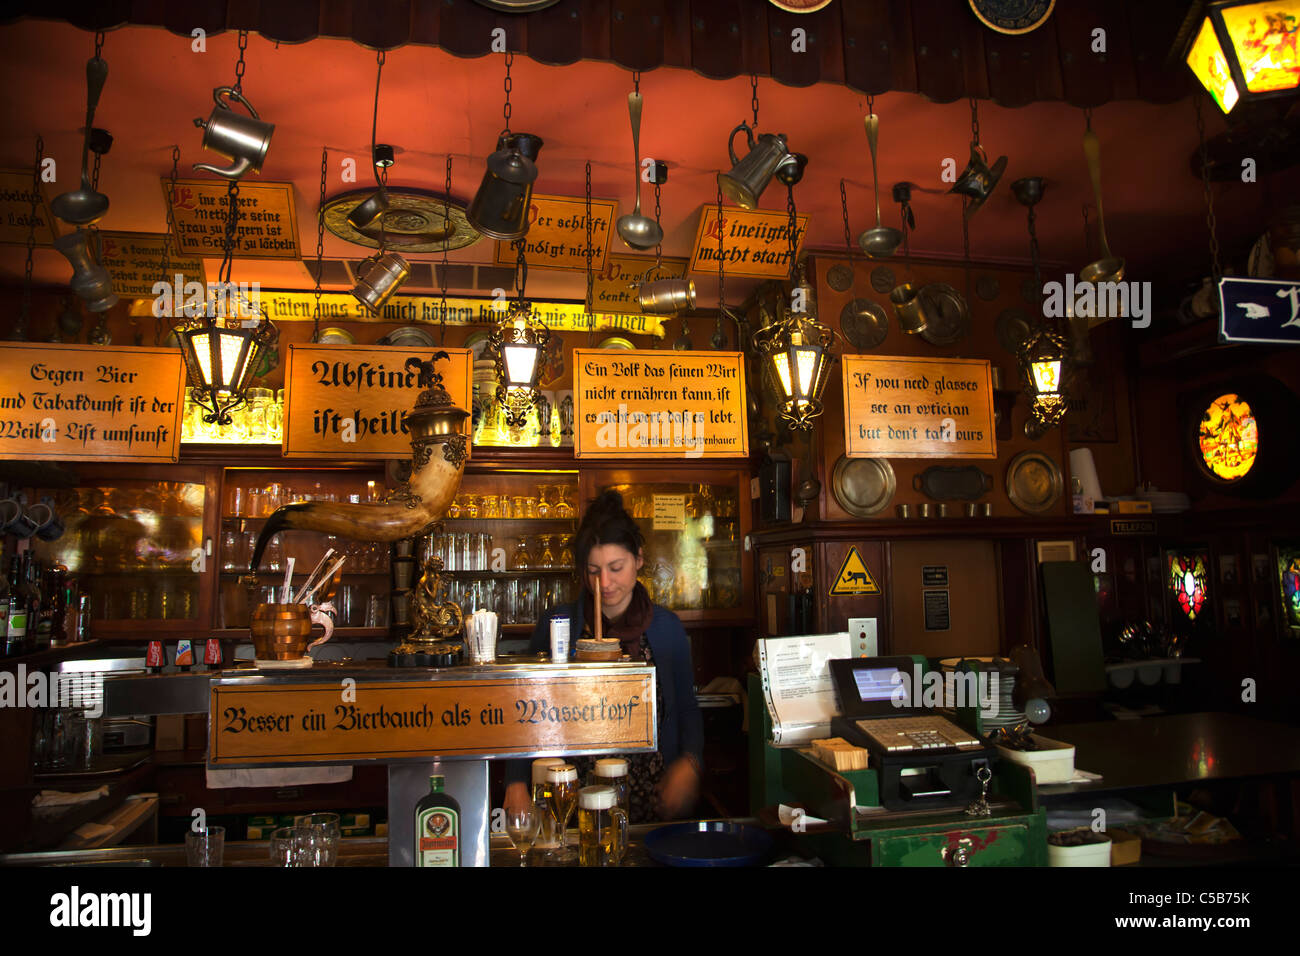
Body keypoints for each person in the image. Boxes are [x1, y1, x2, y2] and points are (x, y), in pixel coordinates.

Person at [504, 490, 703, 823]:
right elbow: (526, 710)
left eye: (616, 567)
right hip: (570, 797)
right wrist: (515, 781)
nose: (605, 583)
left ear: (638, 559)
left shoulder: (666, 629)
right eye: (593, 570)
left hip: (651, 798)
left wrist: (691, 763)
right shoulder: (558, 625)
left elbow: (686, 708)